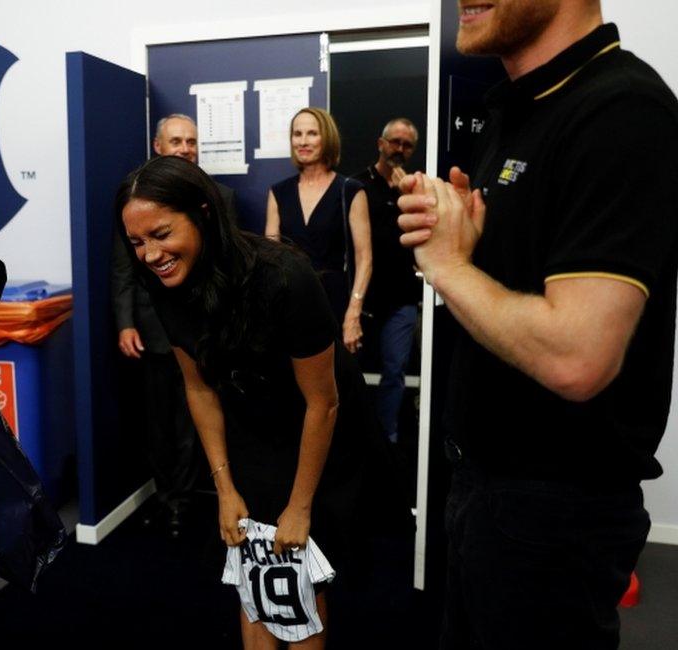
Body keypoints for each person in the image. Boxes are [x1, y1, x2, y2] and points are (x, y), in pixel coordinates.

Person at [397, 1, 678, 647]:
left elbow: (577, 360)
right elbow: (513, 286)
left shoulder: (621, 110)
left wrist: (447, 265)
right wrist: (468, 247)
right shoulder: (516, 110)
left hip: (555, 512)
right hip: (483, 488)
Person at [118, 155, 381, 648]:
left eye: (160, 234)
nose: (150, 254)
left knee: (301, 573)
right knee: (253, 567)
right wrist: (224, 486)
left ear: (201, 212)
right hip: (251, 428)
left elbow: (322, 404)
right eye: (137, 242)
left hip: (317, 427)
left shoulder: (282, 276)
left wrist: (299, 506)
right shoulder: (165, 284)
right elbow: (198, 388)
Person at [112, 113, 239, 536]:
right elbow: (125, 268)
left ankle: (182, 502)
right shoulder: (133, 202)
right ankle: (166, 495)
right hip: (153, 333)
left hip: (202, 333)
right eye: (177, 141)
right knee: (158, 424)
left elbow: (228, 268)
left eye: (191, 141)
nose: (186, 148)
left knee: (193, 420)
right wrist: (125, 322)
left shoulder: (219, 197)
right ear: (158, 147)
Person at [266, 107, 371, 353]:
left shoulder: (350, 190)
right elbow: (270, 256)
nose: (302, 141)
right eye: (297, 133)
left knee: (337, 383)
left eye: (312, 133)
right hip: (291, 302)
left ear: (327, 137)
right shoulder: (278, 193)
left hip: (335, 303)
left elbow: (365, 257)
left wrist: (353, 313)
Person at [352, 118, 423, 443]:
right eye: (395, 141)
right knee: (350, 371)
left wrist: (406, 192)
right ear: (381, 144)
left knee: (395, 370)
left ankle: (387, 437)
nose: (400, 149)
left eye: (407, 145)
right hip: (364, 297)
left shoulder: (415, 189)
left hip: (402, 297)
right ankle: (356, 438)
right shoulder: (357, 185)